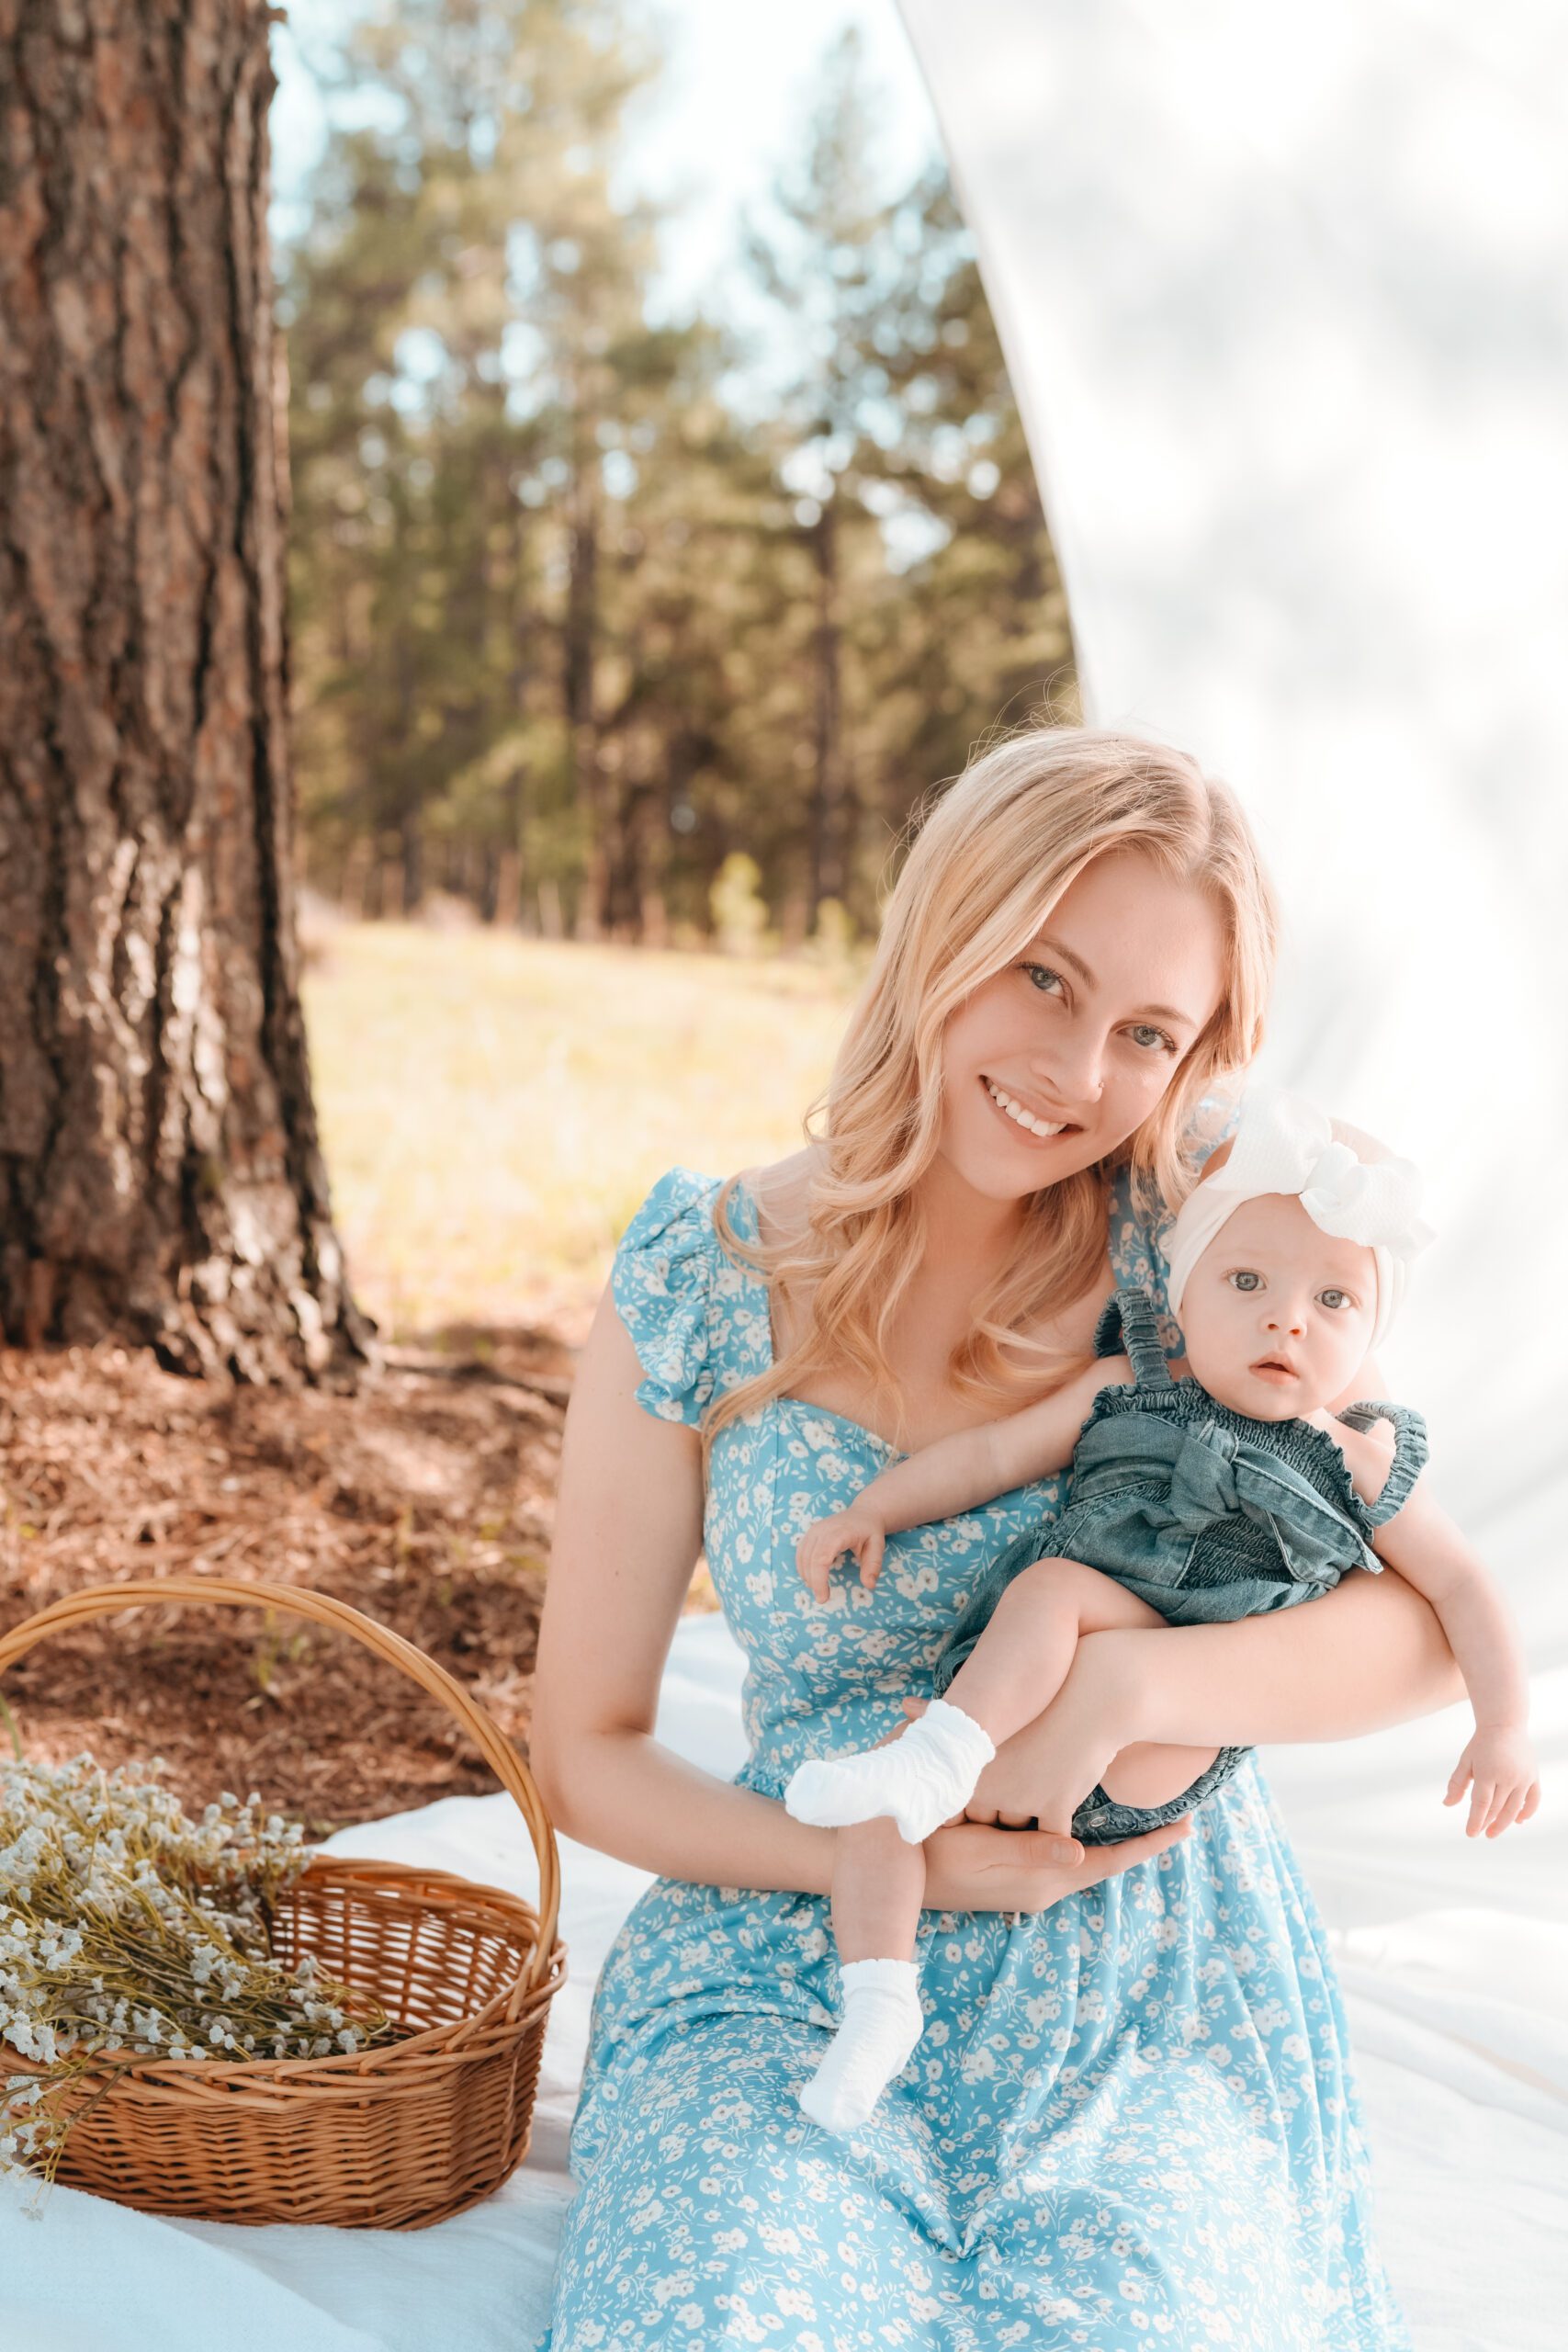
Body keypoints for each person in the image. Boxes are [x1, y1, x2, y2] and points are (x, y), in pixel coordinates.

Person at [532, 728, 1464, 2350]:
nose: (1076, 1073)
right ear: (940, 928)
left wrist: (1124, 1697)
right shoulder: (699, 1271)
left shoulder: (1210, 1254)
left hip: (1143, 1969)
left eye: (1146, 1031)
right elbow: (588, 1746)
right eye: (1041, 978)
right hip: (798, 1949)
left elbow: (1421, 1623)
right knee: (729, 2315)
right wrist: (863, 1859)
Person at [783, 1088, 1540, 2132]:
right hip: (1012, 1700)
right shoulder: (1126, 1385)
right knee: (881, 1811)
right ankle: (879, 2003)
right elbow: (994, 1456)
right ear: (1184, 1295)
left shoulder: (1358, 1457)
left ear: (1368, 1333)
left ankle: (941, 1760)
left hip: (1162, 1738)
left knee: (1048, 1595)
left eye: (1334, 1302)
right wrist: (875, 1508)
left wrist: (1501, 1729)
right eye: (1247, 1281)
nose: (1288, 1318)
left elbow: (1461, 1587)